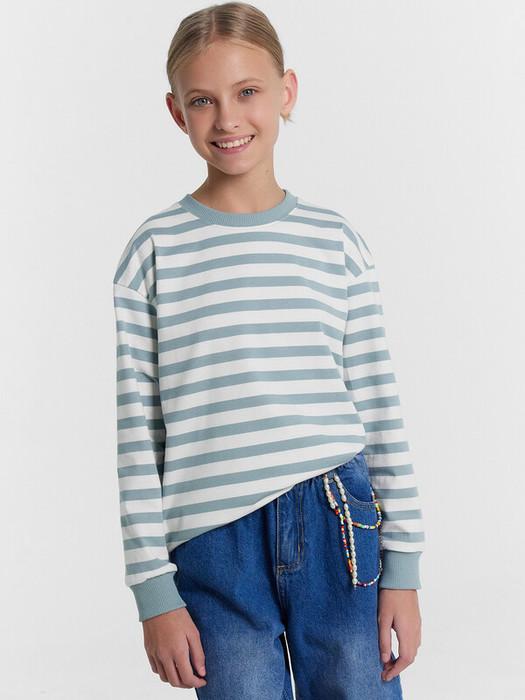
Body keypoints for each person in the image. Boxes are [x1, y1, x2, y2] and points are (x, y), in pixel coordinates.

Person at [112, 3, 424, 698]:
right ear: (176, 111)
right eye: (203, 100)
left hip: (336, 518)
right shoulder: (154, 251)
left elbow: (379, 407)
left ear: (286, 91)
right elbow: (137, 433)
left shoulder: (335, 242)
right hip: (210, 540)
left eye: (247, 91)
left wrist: (402, 568)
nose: (227, 118)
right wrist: (153, 590)